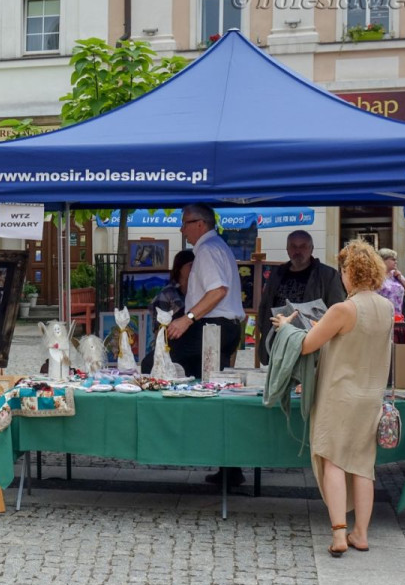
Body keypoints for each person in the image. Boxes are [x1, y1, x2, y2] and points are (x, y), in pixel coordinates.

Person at [270, 240, 393, 557]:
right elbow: (346, 337)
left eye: (343, 270)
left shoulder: (343, 308)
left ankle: (339, 534)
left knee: (333, 460)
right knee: (364, 466)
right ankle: (361, 534)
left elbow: (309, 344)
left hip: (339, 395)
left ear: (350, 271)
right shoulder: (385, 307)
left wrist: (287, 325)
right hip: (370, 396)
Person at [170, 204, 247, 486]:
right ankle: (230, 466)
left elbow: (218, 291)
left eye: (185, 223)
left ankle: (175, 435)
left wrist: (187, 319)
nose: (181, 229)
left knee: (159, 365)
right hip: (220, 327)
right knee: (218, 396)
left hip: (212, 328)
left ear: (200, 224)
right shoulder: (216, 247)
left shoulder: (208, 249)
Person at [256, 230, 346, 365]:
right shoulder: (277, 274)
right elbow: (265, 306)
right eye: (293, 246)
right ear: (287, 249)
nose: (298, 251)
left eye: (303, 246)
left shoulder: (328, 275)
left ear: (311, 249)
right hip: (278, 345)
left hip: (310, 345)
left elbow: (337, 310)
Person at [140, 250, 195, 373]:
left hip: (192, 344)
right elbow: (158, 329)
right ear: (180, 268)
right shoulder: (167, 294)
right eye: (191, 265)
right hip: (172, 345)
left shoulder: (197, 293)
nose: (194, 269)